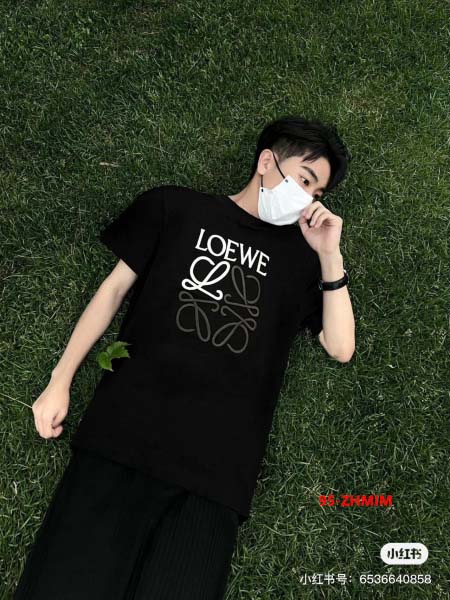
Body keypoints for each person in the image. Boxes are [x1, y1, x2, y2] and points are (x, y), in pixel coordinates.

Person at [14, 115, 355, 599]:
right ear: (266, 162)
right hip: (120, 439)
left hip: (216, 476)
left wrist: (329, 256)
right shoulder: (174, 208)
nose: (308, 199)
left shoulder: (301, 260)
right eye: (304, 180)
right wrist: (59, 380)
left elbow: (340, 347)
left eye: (317, 193)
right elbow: (112, 292)